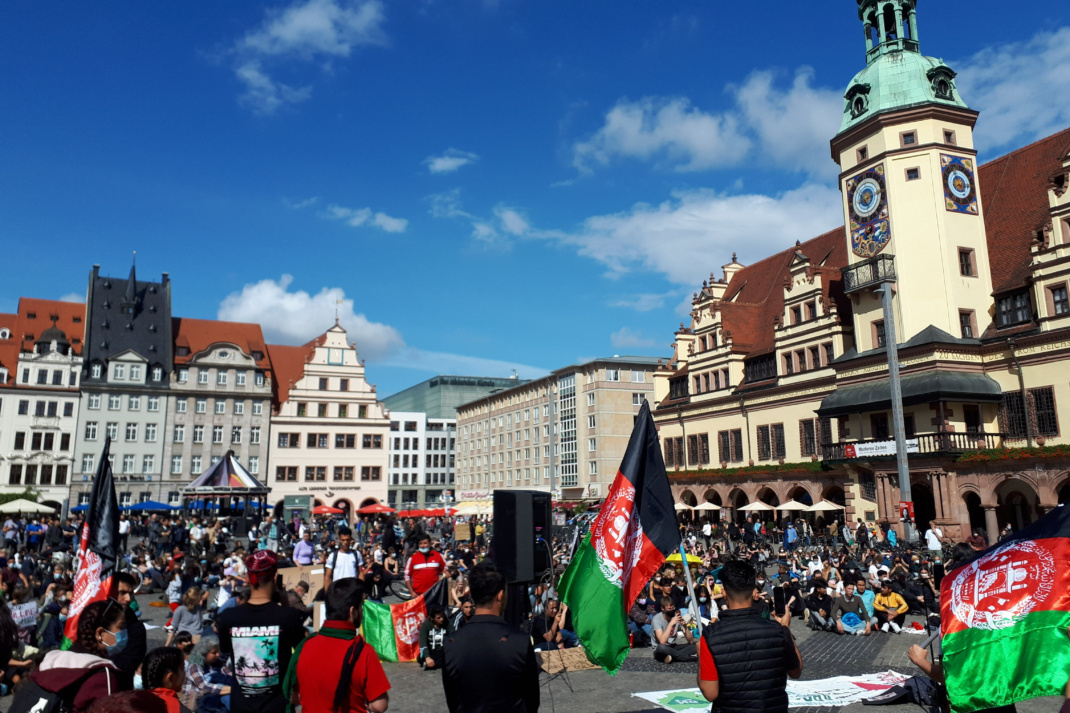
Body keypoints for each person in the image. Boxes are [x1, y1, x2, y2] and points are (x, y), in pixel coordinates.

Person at [697, 559, 802, 712]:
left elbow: (710, 693)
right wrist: (786, 628)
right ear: (753, 590)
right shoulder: (778, 630)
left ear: (724, 592)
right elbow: (796, 671)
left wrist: (700, 655)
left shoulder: (710, 636)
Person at [441, 560, 539, 713]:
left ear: (472, 595)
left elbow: (453, 702)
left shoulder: (450, 644)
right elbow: (532, 701)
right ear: (500, 595)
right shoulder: (520, 642)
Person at [216, 550, 306, 713]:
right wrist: (284, 602)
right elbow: (301, 651)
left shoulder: (227, 617)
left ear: (248, 578)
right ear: (275, 577)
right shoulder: (289, 616)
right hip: (277, 706)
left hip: (241, 706)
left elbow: (226, 650)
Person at [283, 577, 390, 713]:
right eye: (361, 607)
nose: (362, 612)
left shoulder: (305, 645)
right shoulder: (363, 651)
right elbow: (379, 705)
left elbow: (294, 697)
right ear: (352, 612)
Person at [26, 599, 127, 713]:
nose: (124, 632)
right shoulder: (104, 676)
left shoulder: (48, 663)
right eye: (121, 627)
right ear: (99, 634)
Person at [110, 572, 148, 690]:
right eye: (122, 593)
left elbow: (127, 665)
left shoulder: (136, 628)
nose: (127, 599)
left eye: (130, 593)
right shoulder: (92, 620)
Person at [187, 635, 233, 713]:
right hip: (200, 704)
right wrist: (234, 689)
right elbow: (205, 687)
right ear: (203, 654)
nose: (218, 655)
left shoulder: (219, 663)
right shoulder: (194, 667)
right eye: (214, 653)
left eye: (218, 652)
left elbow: (230, 675)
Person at [143, 646, 193, 713]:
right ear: (171, 677)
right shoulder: (179, 710)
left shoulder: (131, 704)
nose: (185, 674)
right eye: (182, 669)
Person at [652, 596, 696, 663]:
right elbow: (662, 641)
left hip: (672, 647)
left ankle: (673, 657)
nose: (671, 611)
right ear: (663, 609)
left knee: (695, 646)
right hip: (661, 649)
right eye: (669, 609)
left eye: (673, 608)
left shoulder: (676, 616)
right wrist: (671, 624)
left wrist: (685, 627)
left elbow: (691, 641)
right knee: (661, 648)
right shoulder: (657, 619)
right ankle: (684, 658)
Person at [324, 527, 363, 591]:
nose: (345, 542)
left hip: (353, 591)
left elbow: (360, 573)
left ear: (351, 539)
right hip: (338, 592)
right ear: (339, 540)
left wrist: (362, 590)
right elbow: (327, 577)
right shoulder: (333, 556)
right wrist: (328, 595)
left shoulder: (356, 554)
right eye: (343, 540)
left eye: (347, 540)